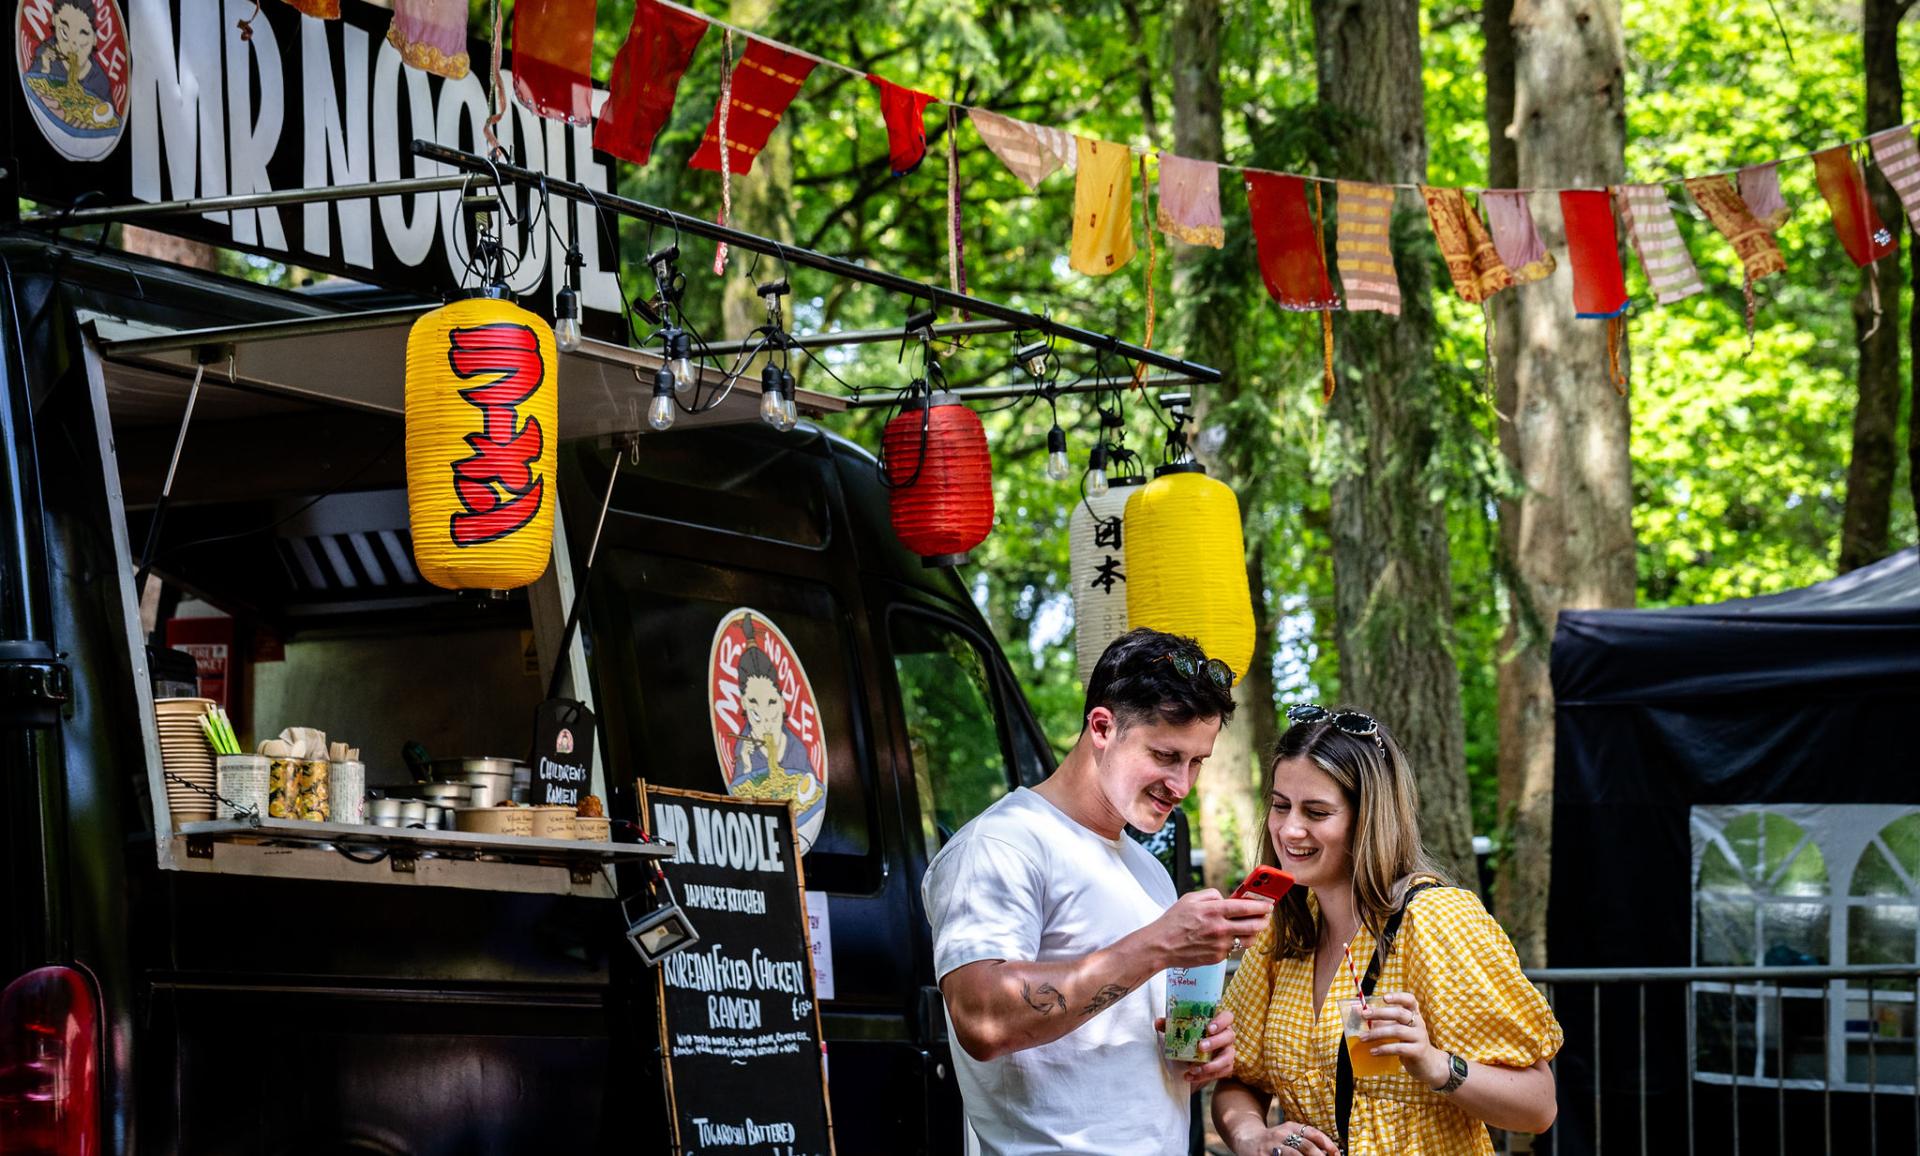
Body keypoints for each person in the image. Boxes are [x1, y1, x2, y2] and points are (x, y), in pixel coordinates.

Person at [922, 628, 1276, 1155]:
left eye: (1196, 761)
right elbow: (981, 1019)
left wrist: (1190, 1052)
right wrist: (1159, 944)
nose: (1182, 785)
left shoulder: (1146, 869)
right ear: (1103, 727)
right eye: (1165, 755)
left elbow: (1112, 1036)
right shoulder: (1002, 843)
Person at [1212, 706, 1562, 1156]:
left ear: (1370, 819)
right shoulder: (1285, 927)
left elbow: (1538, 1105)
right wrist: (1252, 1137)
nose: (1289, 829)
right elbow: (1240, 1078)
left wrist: (1434, 1064)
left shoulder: (1436, 920)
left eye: (1316, 812)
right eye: (1281, 806)